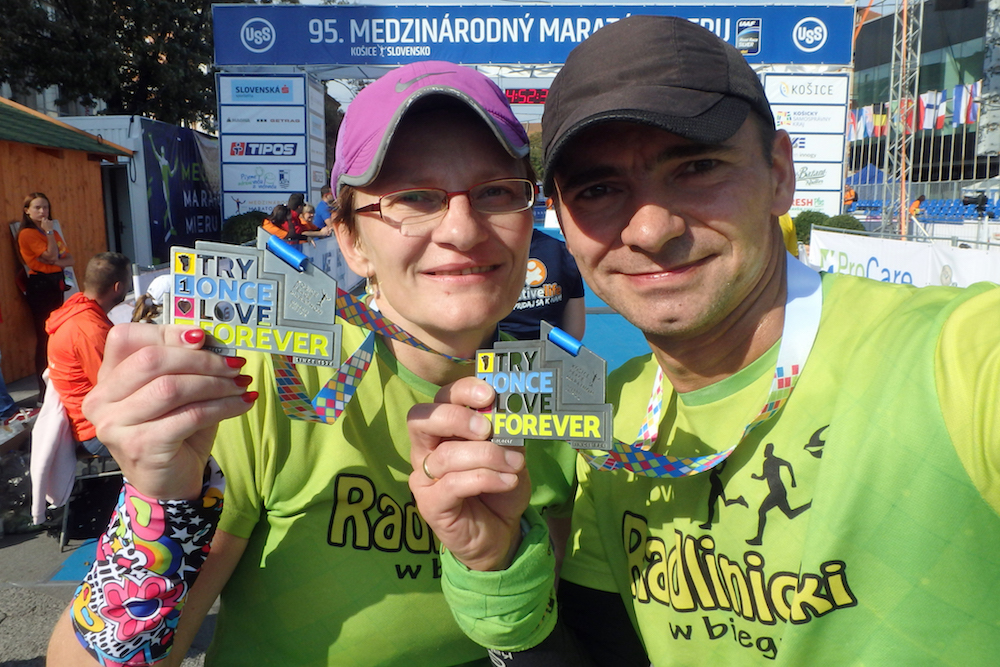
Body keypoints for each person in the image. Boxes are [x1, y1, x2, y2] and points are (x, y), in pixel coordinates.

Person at [407, 16, 1000, 666]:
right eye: (599, 189)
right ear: (564, 221)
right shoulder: (609, 414)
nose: (650, 229)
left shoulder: (957, 355)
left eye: (696, 166)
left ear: (779, 173)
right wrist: (496, 566)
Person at [48, 61, 577, 667]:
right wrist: (157, 509)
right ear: (351, 241)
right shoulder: (263, 383)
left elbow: (565, 636)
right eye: (412, 198)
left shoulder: (563, 397)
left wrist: (499, 564)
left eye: (496, 192)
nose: (461, 228)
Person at [45, 252, 130, 457]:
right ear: (118, 287)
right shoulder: (90, 330)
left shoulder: (77, 306)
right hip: (96, 431)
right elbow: (114, 389)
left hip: (91, 421)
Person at [17, 192, 74, 399]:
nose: (43, 212)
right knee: (44, 336)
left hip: (56, 282)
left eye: (46, 207)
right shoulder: (28, 233)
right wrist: (49, 236)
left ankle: (58, 383)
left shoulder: (52, 232)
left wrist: (54, 260)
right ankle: (43, 392)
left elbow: (69, 259)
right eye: (37, 208)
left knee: (56, 333)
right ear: (27, 211)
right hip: (40, 285)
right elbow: (50, 254)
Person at [500, 228, 586, 340]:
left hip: (495, 347)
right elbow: (574, 331)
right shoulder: (563, 252)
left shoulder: (485, 253)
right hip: (551, 346)